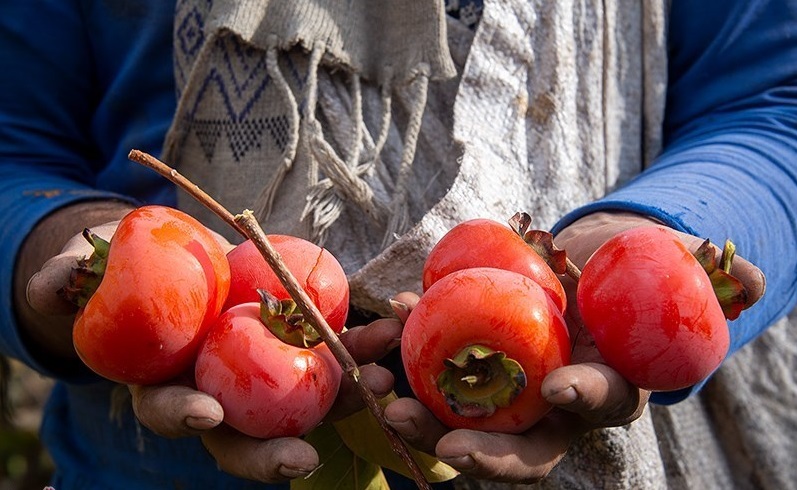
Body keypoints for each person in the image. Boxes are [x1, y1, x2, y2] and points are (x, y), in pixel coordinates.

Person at [1, 1, 795, 489]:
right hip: (139, 467)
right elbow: (14, 140)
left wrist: (641, 245)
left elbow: (772, 100)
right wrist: (54, 252)